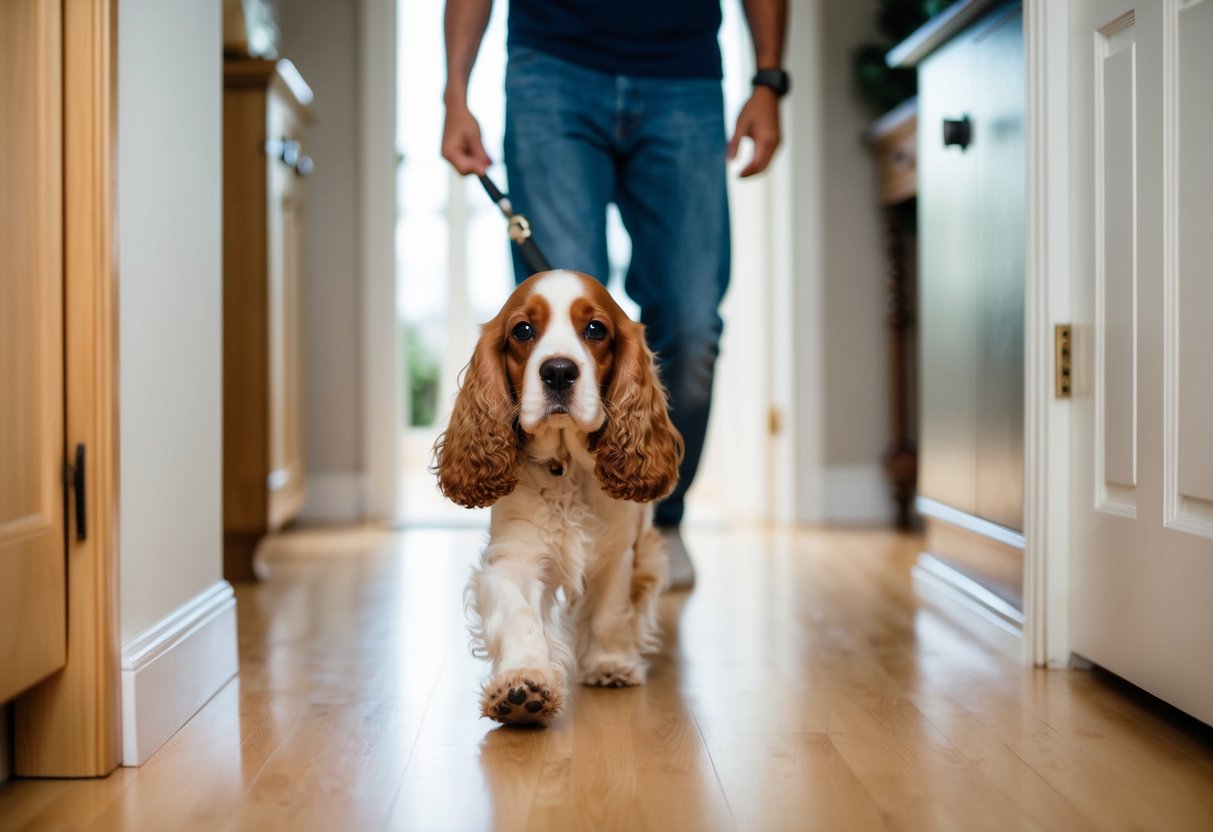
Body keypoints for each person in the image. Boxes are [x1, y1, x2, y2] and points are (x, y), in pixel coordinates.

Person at [442, 0, 788, 589]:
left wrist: (769, 79)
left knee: (691, 322)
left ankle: (658, 517)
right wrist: (455, 92)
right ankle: (556, 538)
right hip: (550, 67)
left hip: (683, 73)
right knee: (556, 321)